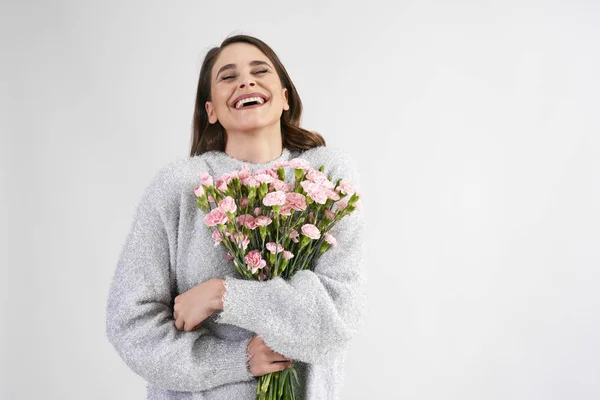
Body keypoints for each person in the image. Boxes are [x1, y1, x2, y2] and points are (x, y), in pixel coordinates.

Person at [105, 34, 367, 400]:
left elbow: (338, 319)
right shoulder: (180, 187)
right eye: (228, 77)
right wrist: (239, 359)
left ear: (285, 98)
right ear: (211, 110)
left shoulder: (326, 177)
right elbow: (131, 325)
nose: (246, 81)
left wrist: (223, 295)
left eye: (260, 71)